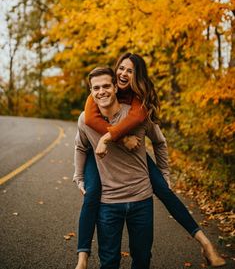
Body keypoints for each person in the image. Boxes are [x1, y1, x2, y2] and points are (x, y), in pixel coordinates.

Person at [74, 53, 226, 269]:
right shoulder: (97, 94)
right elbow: (89, 121)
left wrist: (164, 173)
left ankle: (205, 242)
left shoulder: (138, 102)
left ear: (135, 78)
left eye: (130, 71)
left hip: (130, 154)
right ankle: (82, 258)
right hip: (97, 151)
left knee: (164, 189)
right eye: (121, 68)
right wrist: (118, 138)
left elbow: (151, 132)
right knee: (92, 195)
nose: (123, 74)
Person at [74, 67, 169, 269]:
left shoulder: (137, 115)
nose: (102, 91)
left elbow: (160, 142)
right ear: (91, 92)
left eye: (106, 86)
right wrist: (79, 176)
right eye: (96, 88)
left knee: (142, 259)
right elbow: (80, 147)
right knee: (109, 262)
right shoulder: (85, 120)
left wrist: (164, 173)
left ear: (116, 87)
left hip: (141, 200)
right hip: (108, 203)